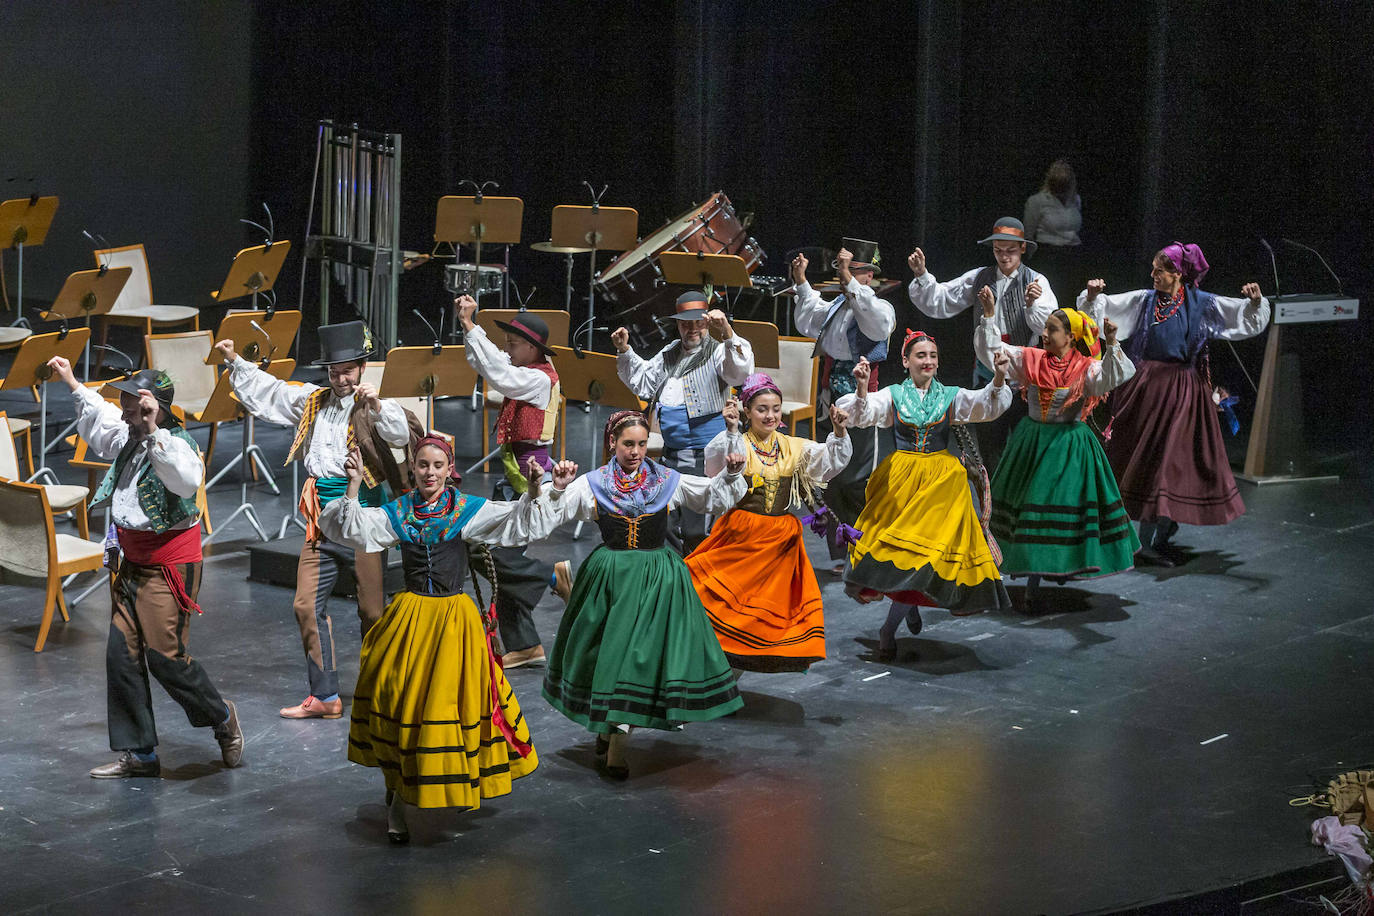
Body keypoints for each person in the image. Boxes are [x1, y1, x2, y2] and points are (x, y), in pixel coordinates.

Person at [320, 437, 552, 844]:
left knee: (456, 703)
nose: (429, 472)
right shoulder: (399, 512)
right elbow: (351, 528)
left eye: (437, 465)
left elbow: (516, 521)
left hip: (453, 621)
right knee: (403, 702)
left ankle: (458, 780)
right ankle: (397, 798)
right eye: (423, 465)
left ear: (449, 470)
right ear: (413, 469)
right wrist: (353, 486)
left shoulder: (466, 510)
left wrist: (534, 490)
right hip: (411, 618)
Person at [216, 321, 422, 719]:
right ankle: (325, 696)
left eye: (347, 370)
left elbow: (400, 433)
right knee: (306, 605)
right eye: (334, 371)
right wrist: (235, 361)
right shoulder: (314, 401)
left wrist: (377, 405)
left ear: (362, 368)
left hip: (364, 518)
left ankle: (381, 690)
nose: (341, 378)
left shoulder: (375, 407)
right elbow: (273, 392)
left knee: (372, 611)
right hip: (321, 520)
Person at [48, 358, 243, 778]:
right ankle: (141, 754)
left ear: (156, 409)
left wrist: (154, 429)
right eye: (126, 403)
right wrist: (71, 381)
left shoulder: (175, 445)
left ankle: (222, 718)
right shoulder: (128, 437)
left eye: (133, 405)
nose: (124, 411)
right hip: (130, 563)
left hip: (167, 564)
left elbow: (186, 481)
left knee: (166, 659)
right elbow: (100, 420)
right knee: (121, 656)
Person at [539, 411, 748, 779]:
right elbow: (554, 510)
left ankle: (617, 741)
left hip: (657, 580)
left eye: (640, 443)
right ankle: (609, 729)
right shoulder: (595, 483)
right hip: (612, 577)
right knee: (610, 656)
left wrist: (730, 475)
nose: (636, 451)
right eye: (627, 444)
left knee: (639, 661)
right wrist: (557, 487)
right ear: (612, 445)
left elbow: (710, 496)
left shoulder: (667, 480)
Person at [1078, 243, 1270, 565]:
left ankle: (1159, 531)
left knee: (1173, 463)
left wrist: (1253, 303)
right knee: (1145, 461)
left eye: (1160, 270)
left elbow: (1238, 317)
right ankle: (1146, 537)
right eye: (1153, 269)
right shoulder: (1145, 300)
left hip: (1183, 393)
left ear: (1179, 273)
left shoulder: (1201, 304)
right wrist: (1094, 297)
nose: (1153, 275)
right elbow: (1107, 310)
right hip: (1148, 388)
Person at [836, 331, 1013, 660]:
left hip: (941, 487)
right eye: (920, 355)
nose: (928, 361)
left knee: (926, 560)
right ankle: (901, 613)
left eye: (932, 355)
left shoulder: (950, 396)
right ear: (906, 361)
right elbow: (862, 414)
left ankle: (889, 628)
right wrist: (862, 387)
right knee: (902, 559)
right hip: (902, 484)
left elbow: (986, 405)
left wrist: (1000, 376)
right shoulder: (893, 395)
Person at [975, 303, 1139, 611]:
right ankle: (1033, 579)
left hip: (1068, 444)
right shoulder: (1032, 359)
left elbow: (1114, 375)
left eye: (1053, 329)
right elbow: (994, 352)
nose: (1045, 334)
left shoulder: (1086, 368)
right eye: (1046, 327)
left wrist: (1112, 343)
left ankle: (1062, 566)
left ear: (1071, 337)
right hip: (1033, 441)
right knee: (1031, 508)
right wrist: (988, 316)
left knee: (1062, 508)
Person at [685, 373, 853, 673]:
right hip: (742, 535)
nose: (771, 415)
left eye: (776, 409)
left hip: (779, 541)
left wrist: (839, 432)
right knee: (725, 603)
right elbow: (715, 470)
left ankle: (735, 671)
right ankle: (716, 672)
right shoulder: (736, 443)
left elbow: (830, 463)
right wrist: (732, 431)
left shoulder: (792, 447)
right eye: (762, 409)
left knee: (763, 612)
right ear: (747, 411)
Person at [458, 295, 573, 668]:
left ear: (534, 348)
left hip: (529, 483)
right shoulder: (526, 370)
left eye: (513, 342)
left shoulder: (538, 379)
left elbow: (499, 374)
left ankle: (550, 577)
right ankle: (525, 645)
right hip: (513, 481)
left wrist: (474, 326)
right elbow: (487, 363)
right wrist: (468, 328)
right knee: (501, 559)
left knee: (485, 551)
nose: (507, 346)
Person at [907, 217, 1059, 469]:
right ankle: (992, 502)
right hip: (988, 371)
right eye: (998, 250)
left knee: (1025, 447)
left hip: (1024, 374)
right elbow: (942, 299)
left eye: (1010, 251)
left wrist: (1032, 305)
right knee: (990, 444)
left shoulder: (1036, 281)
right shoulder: (980, 278)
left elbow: (1048, 329)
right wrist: (922, 274)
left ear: (1022, 249)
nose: (1004, 257)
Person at [613, 290, 754, 554]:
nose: (692, 329)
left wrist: (727, 332)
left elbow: (740, 372)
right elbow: (643, 381)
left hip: (703, 454)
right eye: (685, 324)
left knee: (694, 526)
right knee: (661, 519)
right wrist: (624, 350)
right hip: (672, 454)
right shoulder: (671, 352)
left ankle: (695, 573)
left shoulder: (719, 352)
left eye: (698, 323)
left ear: (707, 323)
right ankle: (679, 567)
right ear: (677, 325)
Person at [790, 240, 898, 572]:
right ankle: (842, 551)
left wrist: (849, 280)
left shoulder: (879, 308)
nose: (845, 277)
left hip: (862, 404)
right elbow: (808, 321)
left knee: (858, 480)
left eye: (853, 271)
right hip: (830, 403)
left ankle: (867, 547)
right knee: (832, 479)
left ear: (868, 276)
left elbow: (874, 322)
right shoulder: (838, 304)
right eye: (843, 270)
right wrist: (801, 282)